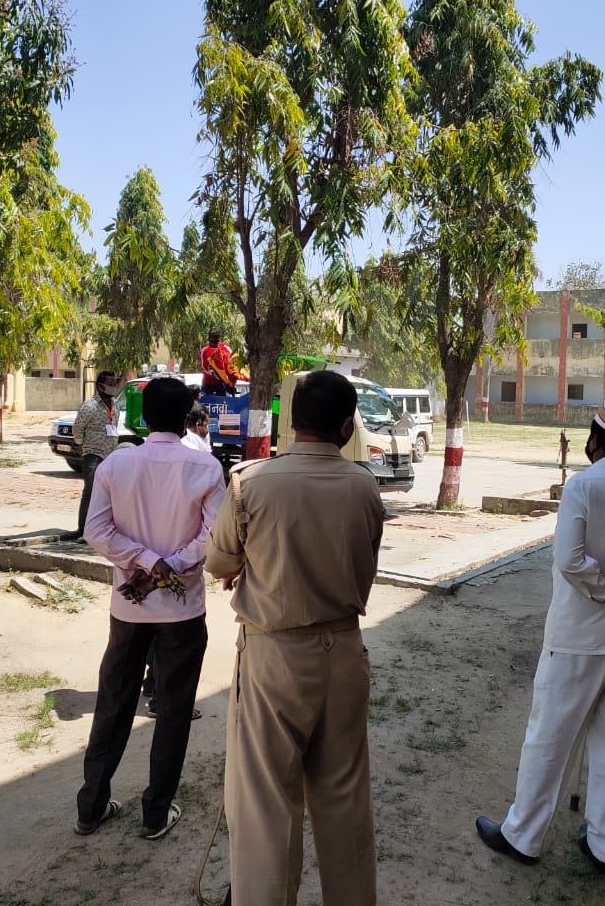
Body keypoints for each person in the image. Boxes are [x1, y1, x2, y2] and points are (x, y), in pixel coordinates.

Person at [205, 370, 385, 906]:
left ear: (288, 422)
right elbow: (364, 563)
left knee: (265, 805)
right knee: (345, 798)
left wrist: (250, 564)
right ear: (347, 425)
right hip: (344, 651)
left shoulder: (251, 482)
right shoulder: (365, 486)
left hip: (273, 655)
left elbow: (218, 562)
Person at [475, 396, 605, 875]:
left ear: (593, 440)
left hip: (581, 636)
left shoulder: (583, 486)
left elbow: (569, 561)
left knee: (551, 734)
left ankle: (523, 835)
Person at [75, 376, 224, 840]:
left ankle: (91, 808)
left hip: (130, 610)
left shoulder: (117, 464)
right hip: (181, 613)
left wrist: (143, 562)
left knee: (113, 705)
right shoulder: (205, 467)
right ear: (186, 419)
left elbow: (96, 531)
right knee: (174, 710)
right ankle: (155, 813)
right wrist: (168, 565)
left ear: (142, 417)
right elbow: (213, 537)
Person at [71, 371, 121, 541]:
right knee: (91, 491)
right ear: (100, 386)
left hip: (111, 455)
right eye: (111, 383)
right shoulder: (89, 406)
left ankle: (104, 529)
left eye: (115, 383)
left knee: (109, 494)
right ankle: (83, 530)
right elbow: (78, 429)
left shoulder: (116, 405)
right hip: (93, 454)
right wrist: (81, 444)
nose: (114, 387)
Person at [200, 327, 238, 396]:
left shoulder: (226, 349)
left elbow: (232, 365)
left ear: (219, 340)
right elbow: (204, 368)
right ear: (209, 339)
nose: (214, 344)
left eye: (216, 342)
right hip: (208, 383)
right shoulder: (204, 351)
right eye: (212, 342)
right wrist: (215, 372)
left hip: (222, 383)